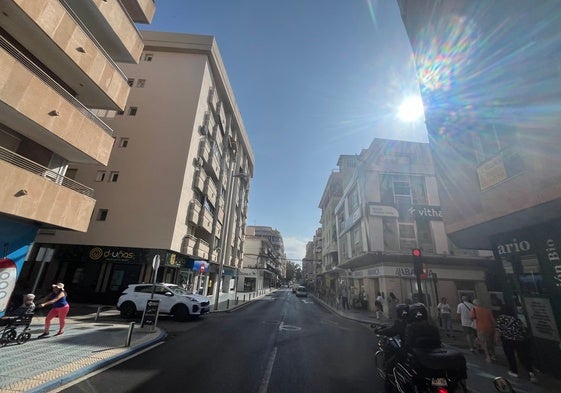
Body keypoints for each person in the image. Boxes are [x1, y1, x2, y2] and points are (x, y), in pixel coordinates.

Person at [495, 304, 537, 382]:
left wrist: (497, 339)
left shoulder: (501, 318)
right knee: (522, 355)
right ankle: (530, 371)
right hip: (519, 339)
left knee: (510, 355)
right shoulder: (516, 318)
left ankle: (514, 371)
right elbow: (522, 329)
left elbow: (499, 330)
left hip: (507, 339)